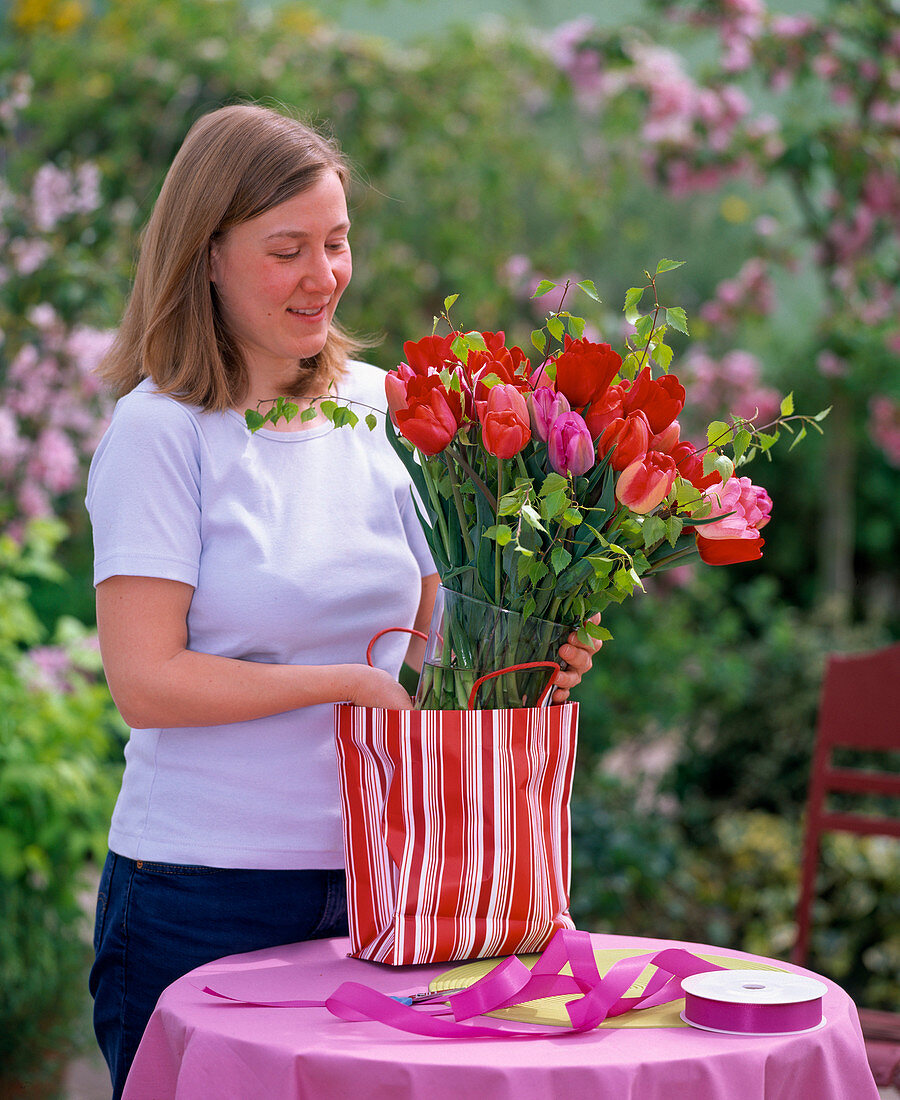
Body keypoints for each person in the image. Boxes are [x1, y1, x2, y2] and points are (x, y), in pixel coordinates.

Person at [86, 102, 601, 1096]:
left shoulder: (381, 405)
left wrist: (524, 655)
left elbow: (431, 636)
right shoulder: (163, 434)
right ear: (206, 257)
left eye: (337, 241)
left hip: (390, 881)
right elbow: (145, 680)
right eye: (287, 249)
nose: (323, 274)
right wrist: (349, 684)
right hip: (202, 889)